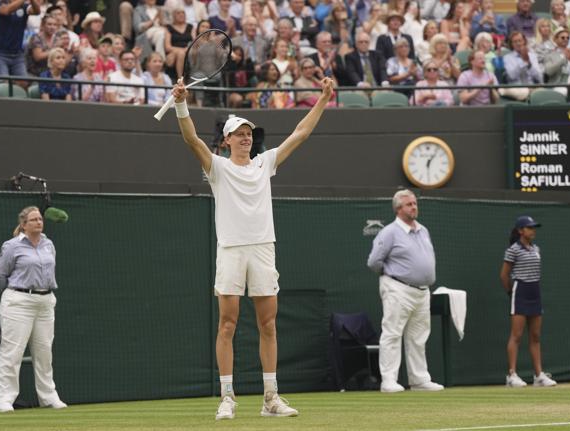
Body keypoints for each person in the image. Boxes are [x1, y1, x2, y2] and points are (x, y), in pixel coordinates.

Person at [171, 74, 334, 420]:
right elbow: (191, 140)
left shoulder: (265, 164)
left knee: (269, 324)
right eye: (239, 133)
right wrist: (182, 102)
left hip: (263, 248)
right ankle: (227, 398)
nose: (246, 138)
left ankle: (270, 398)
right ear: (227, 140)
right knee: (227, 325)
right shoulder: (217, 167)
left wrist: (322, 99)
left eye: (249, 134)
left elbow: (300, 133)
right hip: (231, 249)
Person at [367, 189, 444, 393]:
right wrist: (393, 276)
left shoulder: (423, 230)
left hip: (422, 291)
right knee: (392, 333)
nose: (414, 207)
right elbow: (374, 261)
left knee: (418, 337)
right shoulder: (389, 232)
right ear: (398, 208)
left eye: (415, 203)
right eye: (409, 204)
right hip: (397, 288)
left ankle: (419, 379)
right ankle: (389, 380)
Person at [0, 206, 67, 413]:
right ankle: (4, 399)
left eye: (40, 219)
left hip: (45, 302)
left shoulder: (48, 244)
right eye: (33, 219)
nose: (38, 222)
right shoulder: (12, 246)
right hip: (18, 302)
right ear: (24, 224)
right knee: (12, 352)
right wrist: (17, 294)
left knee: (44, 352)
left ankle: (49, 396)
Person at [500, 215, 557, 388]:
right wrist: (512, 292)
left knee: (535, 336)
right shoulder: (513, 250)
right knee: (516, 335)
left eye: (534, 227)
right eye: (529, 227)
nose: (533, 230)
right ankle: (512, 375)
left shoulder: (536, 249)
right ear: (520, 231)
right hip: (520, 291)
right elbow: (504, 275)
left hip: (535, 292)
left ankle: (539, 375)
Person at [0, 0, 41, 77]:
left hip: (17, 54)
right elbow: (6, 10)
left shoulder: (24, 7)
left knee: (24, 83)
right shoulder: (0, 4)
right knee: (4, 82)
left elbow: (37, 11)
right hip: (0, 53)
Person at [164, 6, 193, 78]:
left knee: (180, 54)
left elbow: (194, 43)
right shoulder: (168, 28)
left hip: (188, 51)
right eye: (178, 13)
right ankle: (181, 79)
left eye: (183, 13)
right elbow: (167, 47)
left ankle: (180, 80)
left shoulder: (190, 27)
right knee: (180, 54)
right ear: (173, 16)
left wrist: (186, 49)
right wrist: (182, 50)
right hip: (174, 52)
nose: (181, 14)